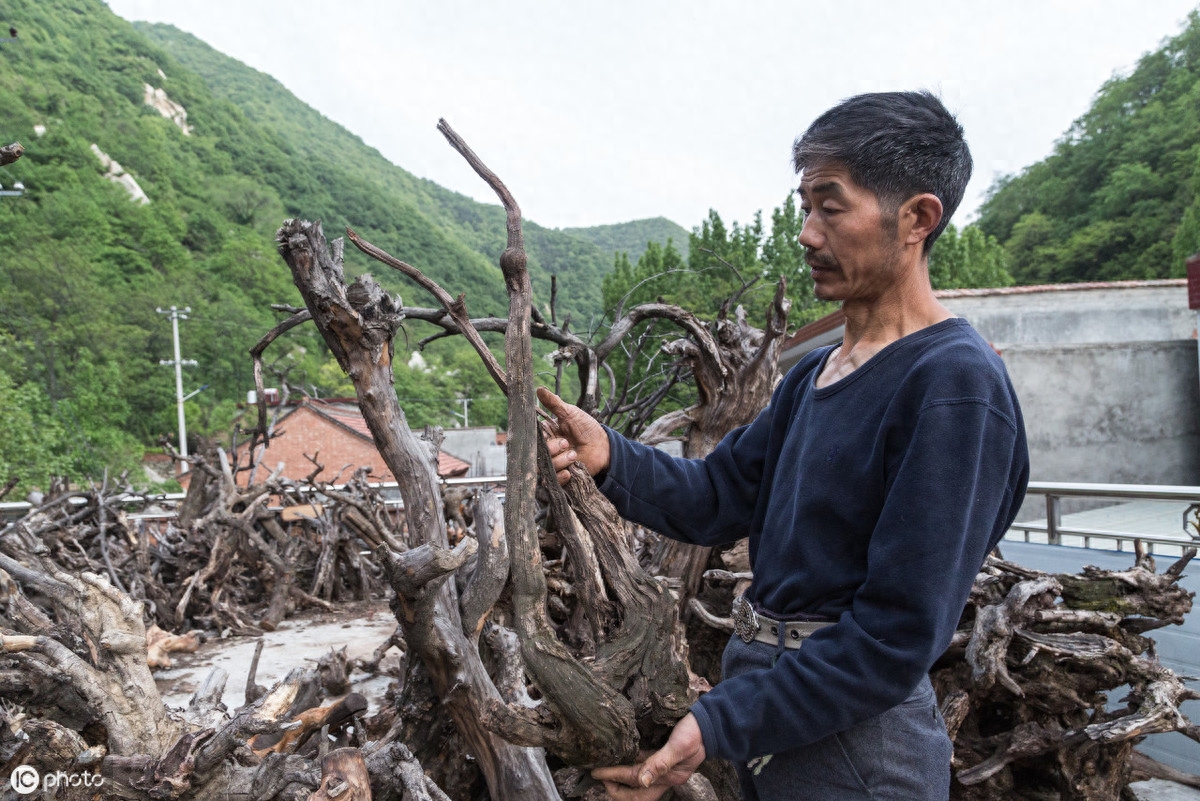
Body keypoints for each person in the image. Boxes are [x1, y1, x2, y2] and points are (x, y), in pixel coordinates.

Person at [538, 90, 1029, 801]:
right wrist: (609, 456)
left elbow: (893, 637)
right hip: (783, 711)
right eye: (805, 206)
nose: (805, 232)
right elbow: (715, 498)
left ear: (918, 217)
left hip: (860, 747)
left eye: (831, 206)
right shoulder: (812, 377)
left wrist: (718, 722)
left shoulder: (953, 384)